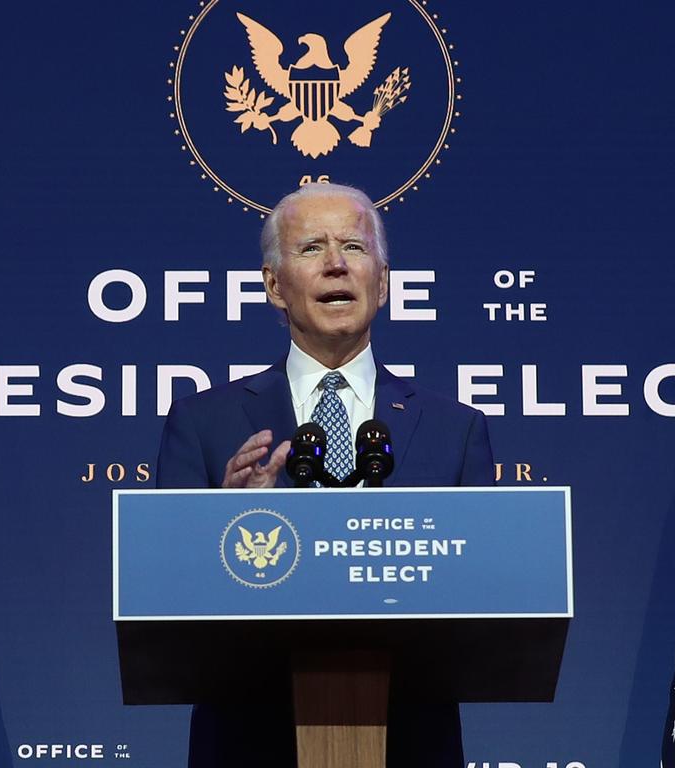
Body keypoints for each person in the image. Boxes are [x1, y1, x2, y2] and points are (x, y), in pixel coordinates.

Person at [157, 183, 494, 767]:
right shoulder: (203, 424)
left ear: (383, 282)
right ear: (273, 286)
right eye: (312, 247)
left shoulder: (455, 429)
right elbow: (164, 599)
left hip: (412, 744)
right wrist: (221, 524)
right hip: (247, 744)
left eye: (355, 248)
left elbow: (487, 599)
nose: (337, 263)